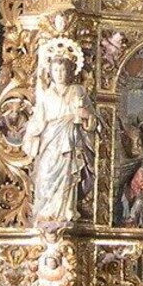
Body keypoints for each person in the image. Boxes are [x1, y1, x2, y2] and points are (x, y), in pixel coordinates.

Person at [22, 53, 96, 224]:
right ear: (51, 72)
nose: (59, 73)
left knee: (68, 175)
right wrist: (30, 135)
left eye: (63, 70)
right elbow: (38, 120)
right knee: (45, 175)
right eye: (56, 70)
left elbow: (94, 122)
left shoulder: (78, 90)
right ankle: (45, 212)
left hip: (70, 140)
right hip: (50, 141)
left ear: (69, 72)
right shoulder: (46, 94)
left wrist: (86, 115)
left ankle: (66, 212)